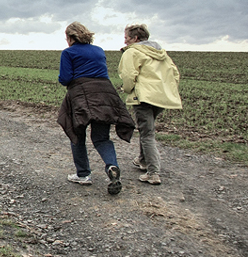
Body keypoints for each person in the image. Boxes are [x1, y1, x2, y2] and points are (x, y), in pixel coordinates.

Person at [56, 22, 134, 195]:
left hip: (81, 95)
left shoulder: (68, 53)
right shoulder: (98, 50)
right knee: (101, 138)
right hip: (106, 94)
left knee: (77, 134)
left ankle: (83, 174)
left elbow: (65, 78)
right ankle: (111, 165)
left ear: (70, 37)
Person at [118, 24, 183, 185]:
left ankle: (153, 173)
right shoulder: (161, 53)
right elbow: (174, 74)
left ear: (135, 39)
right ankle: (142, 160)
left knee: (147, 133)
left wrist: (127, 89)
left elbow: (128, 75)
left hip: (144, 97)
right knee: (146, 128)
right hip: (161, 97)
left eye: (126, 37)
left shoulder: (132, 52)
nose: (125, 41)